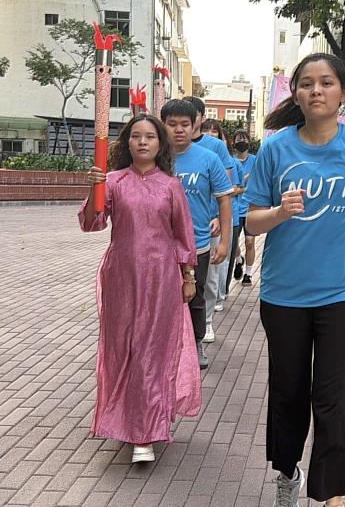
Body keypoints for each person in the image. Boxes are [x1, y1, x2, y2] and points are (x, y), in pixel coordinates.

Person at [244, 52, 345, 507]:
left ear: (344, 93)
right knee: (289, 392)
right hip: (284, 294)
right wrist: (279, 213)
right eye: (307, 83)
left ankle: (331, 492)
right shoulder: (275, 149)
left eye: (327, 82)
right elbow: (251, 222)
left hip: (341, 292)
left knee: (333, 397)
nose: (316, 90)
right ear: (295, 94)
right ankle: (287, 472)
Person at [80, 114, 201, 463]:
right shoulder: (113, 181)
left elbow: (183, 235)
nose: (143, 142)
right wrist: (93, 189)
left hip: (162, 279)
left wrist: (188, 276)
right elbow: (92, 223)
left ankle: (145, 432)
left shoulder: (171, 186)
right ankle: (125, 419)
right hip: (122, 277)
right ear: (127, 143)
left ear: (160, 144)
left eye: (150, 136)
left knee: (152, 350)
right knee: (124, 349)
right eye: (136, 136)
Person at [161, 100, 233, 368]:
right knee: (160, 297)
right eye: (172, 124)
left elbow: (224, 199)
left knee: (194, 295)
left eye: (185, 124)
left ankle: (196, 342)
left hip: (197, 244)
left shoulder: (209, 159)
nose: (179, 130)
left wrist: (224, 242)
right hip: (159, 245)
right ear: (163, 125)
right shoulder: (156, 158)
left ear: (195, 126)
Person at [202, 118, 242, 310]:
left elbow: (233, 188)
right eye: (206, 130)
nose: (210, 134)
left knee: (219, 259)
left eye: (214, 131)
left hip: (225, 216)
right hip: (202, 218)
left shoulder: (229, 161)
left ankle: (219, 296)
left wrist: (219, 214)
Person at [229, 129, 258, 287]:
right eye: (239, 139)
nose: (242, 142)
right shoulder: (231, 162)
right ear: (233, 143)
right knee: (233, 244)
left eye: (245, 139)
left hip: (250, 209)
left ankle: (248, 273)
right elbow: (232, 188)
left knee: (250, 242)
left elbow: (259, 181)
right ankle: (238, 259)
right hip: (234, 209)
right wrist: (245, 182)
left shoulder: (255, 160)